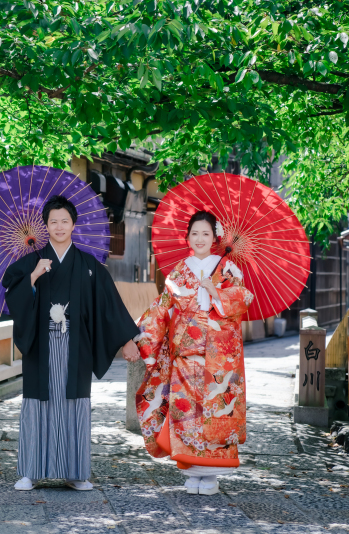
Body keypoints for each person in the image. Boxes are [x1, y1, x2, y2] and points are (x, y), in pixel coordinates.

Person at [2, 195, 141, 491]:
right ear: (46, 226)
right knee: (37, 403)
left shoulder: (88, 265)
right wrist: (33, 276)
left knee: (73, 403)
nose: (60, 226)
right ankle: (30, 471)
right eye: (54, 221)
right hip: (41, 344)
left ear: (74, 225)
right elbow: (12, 292)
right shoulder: (31, 262)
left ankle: (76, 472)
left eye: (65, 221)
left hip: (75, 346)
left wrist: (127, 339)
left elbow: (108, 304)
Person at [132, 211, 254, 495]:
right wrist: (140, 334)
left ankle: (210, 476)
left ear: (215, 238)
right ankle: (190, 468)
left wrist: (216, 291)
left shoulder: (228, 268)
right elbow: (162, 307)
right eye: (195, 233)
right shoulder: (179, 270)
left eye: (206, 234)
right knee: (185, 414)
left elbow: (243, 299)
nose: (199, 239)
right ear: (187, 237)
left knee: (214, 413)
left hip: (217, 360)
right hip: (185, 355)